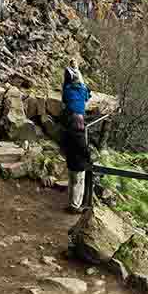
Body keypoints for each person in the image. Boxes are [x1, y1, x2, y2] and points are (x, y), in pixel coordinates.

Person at [60, 65, 91, 212]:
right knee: (79, 181)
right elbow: (86, 92)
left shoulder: (67, 90)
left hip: (71, 159)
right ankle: (75, 205)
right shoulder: (82, 90)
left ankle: (71, 203)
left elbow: (65, 96)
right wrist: (89, 157)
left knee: (72, 181)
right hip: (78, 163)